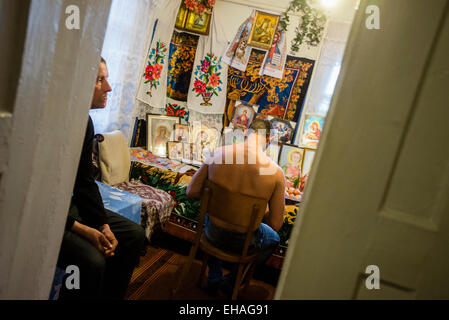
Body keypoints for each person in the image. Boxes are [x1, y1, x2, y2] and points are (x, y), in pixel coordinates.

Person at [56, 57, 145, 300]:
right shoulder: (56, 122)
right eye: (100, 80)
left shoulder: (84, 122)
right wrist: (83, 229)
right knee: (93, 260)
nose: (108, 87)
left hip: (67, 206)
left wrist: (102, 225)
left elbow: (84, 181)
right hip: (48, 213)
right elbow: (38, 196)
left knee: (132, 235)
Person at [186, 119, 285, 297]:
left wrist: (221, 201)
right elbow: (276, 223)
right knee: (273, 238)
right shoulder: (275, 172)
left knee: (212, 214)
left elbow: (191, 191)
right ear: (268, 140)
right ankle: (230, 283)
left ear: (246, 133)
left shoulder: (217, 153)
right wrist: (261, 212)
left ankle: (214, 275)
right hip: (243, 243)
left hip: (212, 234)